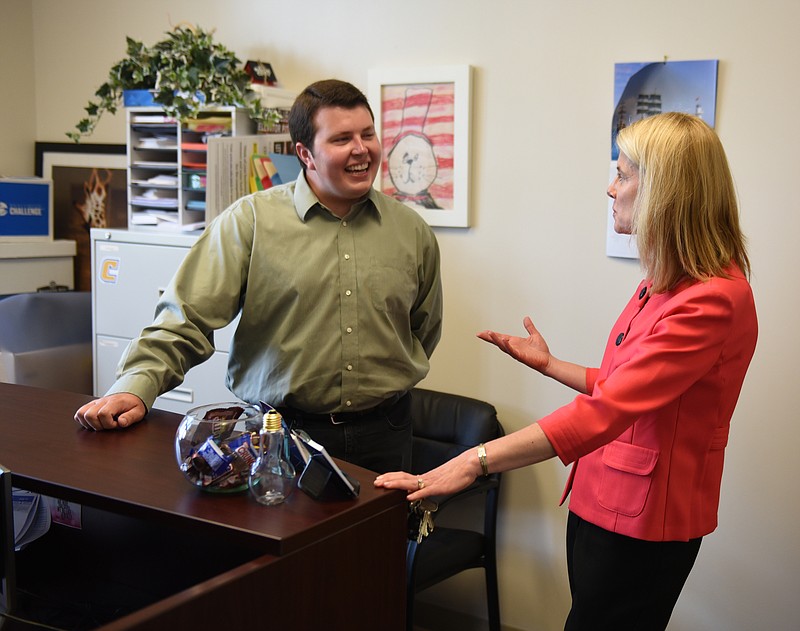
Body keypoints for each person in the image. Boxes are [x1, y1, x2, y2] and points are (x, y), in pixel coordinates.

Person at [375, 112, 757, 629]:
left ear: (665, 192)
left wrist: (473, 461)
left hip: (646, 520)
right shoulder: (668, 281)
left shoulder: (712, 301)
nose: (610, 188)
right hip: (603, 496)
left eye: (622, 175)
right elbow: (631, 385)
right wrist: (552, 365)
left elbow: (611, 409)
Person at [75, 79, 444, 474]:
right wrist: (137, 386)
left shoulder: (411, 231)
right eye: (341, 139)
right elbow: (185, 319)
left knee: (377, 539)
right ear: (305, 153)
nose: (361, 149)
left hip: (386, 433)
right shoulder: (248, 222)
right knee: (282, 537)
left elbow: (423, 330)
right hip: (278, 435)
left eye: (367, 134)